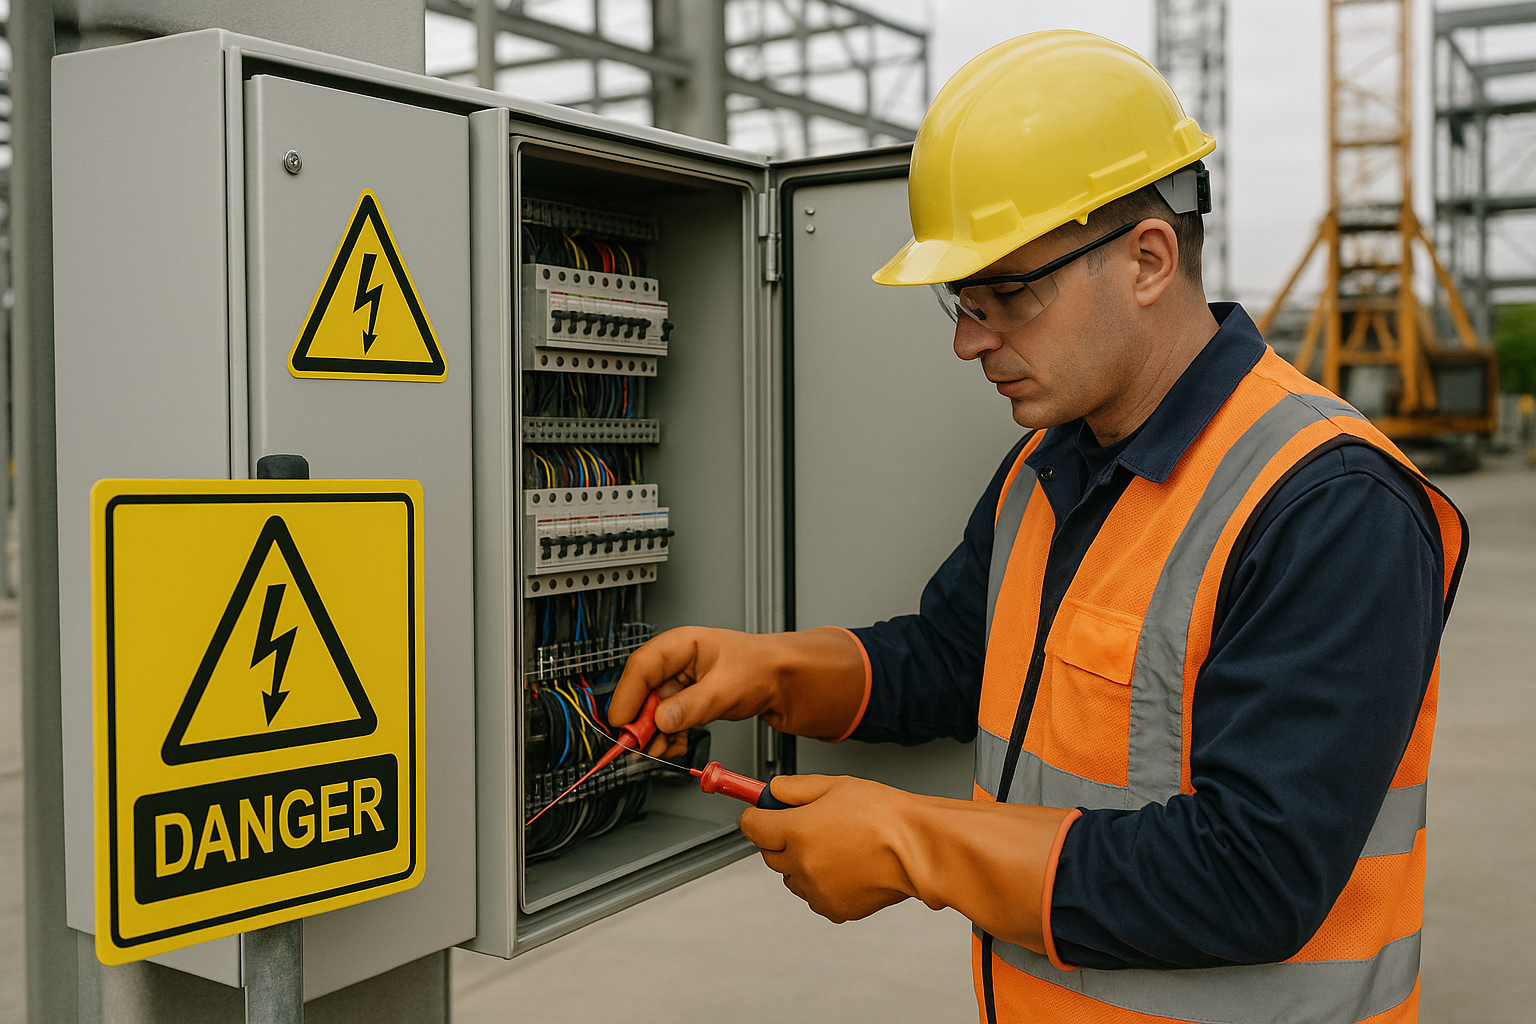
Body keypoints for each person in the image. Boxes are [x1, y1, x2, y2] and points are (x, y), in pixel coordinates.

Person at [609, 30, 1465, 1024]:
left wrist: (912, 842)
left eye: (1008, 294)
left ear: (1149, 258)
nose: (972, 340)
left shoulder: (1328, 502)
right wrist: (770, 671)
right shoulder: (1047, 467)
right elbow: (954, 656)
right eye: (961, 302)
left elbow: (1255, 873)